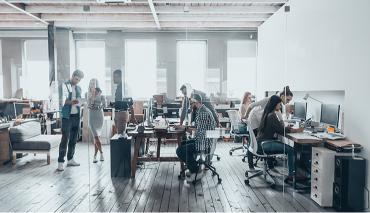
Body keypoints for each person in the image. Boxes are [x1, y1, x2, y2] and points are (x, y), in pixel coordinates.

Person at [256, 95, 303, 181]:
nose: (280, 106)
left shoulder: (268, 113)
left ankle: (293, 173)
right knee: (291, 150)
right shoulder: (272, 116)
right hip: (266, 144)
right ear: (275, 104)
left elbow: (278, 128)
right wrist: (296, 130)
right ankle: (291, 175)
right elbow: (281, 131)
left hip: (261, 143)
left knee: (290, 148)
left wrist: (285, 127)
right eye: (279, 104)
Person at [245, 86, 293, 169]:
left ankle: (270, 165)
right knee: (254, 142)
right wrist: (245, 116)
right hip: (254, 119)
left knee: (261, 139)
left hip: (262, 119)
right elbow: (252, 105)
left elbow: (279, 117)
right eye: (288, 100)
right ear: (282, 97)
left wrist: (282, 124)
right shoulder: (271, 100)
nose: (288, 102)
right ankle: (251, 166)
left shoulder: (275, 106)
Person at [176, 93, 217, 182]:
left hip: (203, 143)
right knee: (183, 144)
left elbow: (198, 132)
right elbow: (199, 129)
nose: (191, 106)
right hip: (203, 140)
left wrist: (185, 128)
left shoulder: (203, 113)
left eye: (191, 103)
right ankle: (192, 166)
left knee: (179, 150)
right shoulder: (202, 110)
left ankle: (196, 170)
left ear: (196, 102)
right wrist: (185, 128)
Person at [57, 70, 84, 171]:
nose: (77, 81)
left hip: (76, 116)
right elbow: (61, 101)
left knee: (73, 138)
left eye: (79, 80)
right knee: (65, 138)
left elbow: (79, 101)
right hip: (66, 117)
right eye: (76, 79)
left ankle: (70, 158)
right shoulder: (64, 86)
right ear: (72, 76)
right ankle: (60, 161)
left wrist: (81, 102)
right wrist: (72, 102)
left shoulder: (79, 88)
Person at [87, 79, 105, 163]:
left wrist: (99, 106)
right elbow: (88, 106)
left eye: (94, 83)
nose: (92, 85)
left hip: (99, 117)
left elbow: (104, 105)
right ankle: (101, 153)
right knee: (96, 137)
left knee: (96, 138)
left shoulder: (101, 94)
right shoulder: (87, 94)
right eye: (91, 83)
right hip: (91, 117)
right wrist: (93, 98)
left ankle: (95, 156)